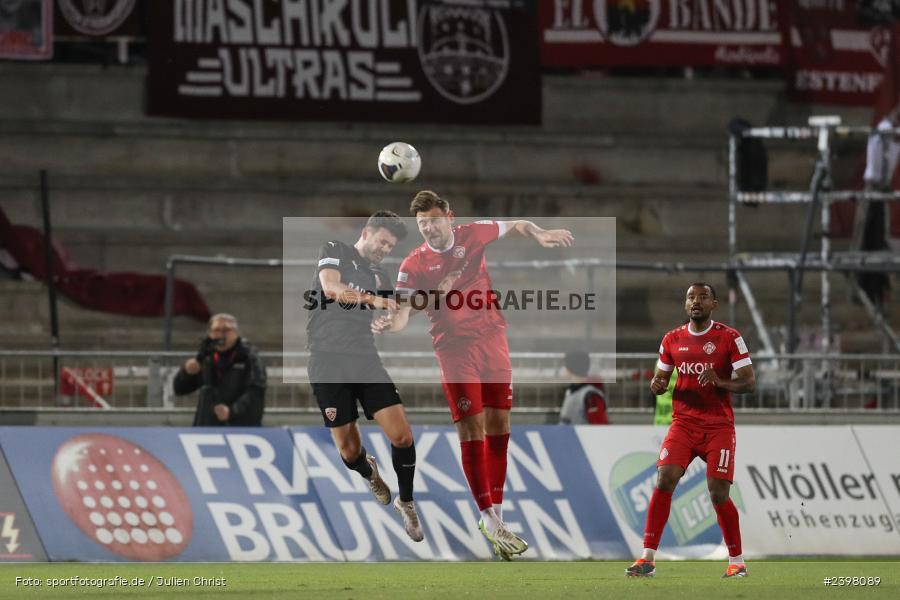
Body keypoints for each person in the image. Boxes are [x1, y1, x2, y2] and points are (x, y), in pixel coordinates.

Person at [373, 190, 573, 560]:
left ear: (449, 216)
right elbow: (403, 311)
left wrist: (539, 233)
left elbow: (517, 225)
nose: (428, 229)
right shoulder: (413, 264)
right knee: (472, 428)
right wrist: (391, 322)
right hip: (454, 350)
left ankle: (496, 517)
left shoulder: (473, 234)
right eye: (421, 224)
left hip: (492, 336)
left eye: (433, 220)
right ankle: (487, 515)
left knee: (500, 425)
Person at [306, 211, 422, 542]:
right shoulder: (335, 249)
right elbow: (331, 288)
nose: (385, 248)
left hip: (365, 360)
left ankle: (407, 501)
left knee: (402, 436)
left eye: (390, 245)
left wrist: (394, 318)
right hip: (327, 362)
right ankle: (369, 472)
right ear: (366, 232)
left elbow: (395, 316)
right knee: (348, 451)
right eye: (382, 240)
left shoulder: (379, 275)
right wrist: (373, 300)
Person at [625, 283, 755, 579]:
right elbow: (661, 379)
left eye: (703, 297)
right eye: (690, 297)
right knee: (665, 478)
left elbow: (749, 383)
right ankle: (647, 558)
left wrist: (721, 382)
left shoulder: (730, 338)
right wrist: (656, 386)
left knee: (718, 492)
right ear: (685, 305)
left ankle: (737, 561)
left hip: (718, 426)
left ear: (714, 304)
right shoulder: (672, 339)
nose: (696, 301)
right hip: (683, 423)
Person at [173, 313, 266, 427]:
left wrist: (232, 411)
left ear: (235, 333)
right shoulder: (206, 355)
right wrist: (187, 373)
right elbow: (180, 389)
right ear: (210, 334)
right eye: (216, 330)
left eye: (226, 330)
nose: (220, 335)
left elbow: (256, 390)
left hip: (240, 427)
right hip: (207, 425)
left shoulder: (248, 356)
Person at [558, 351, 608, 425]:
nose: (562, 369)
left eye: (564, 365)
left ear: (571, 367)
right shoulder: (571, 392)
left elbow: (599, 427)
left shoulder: (590, 395)